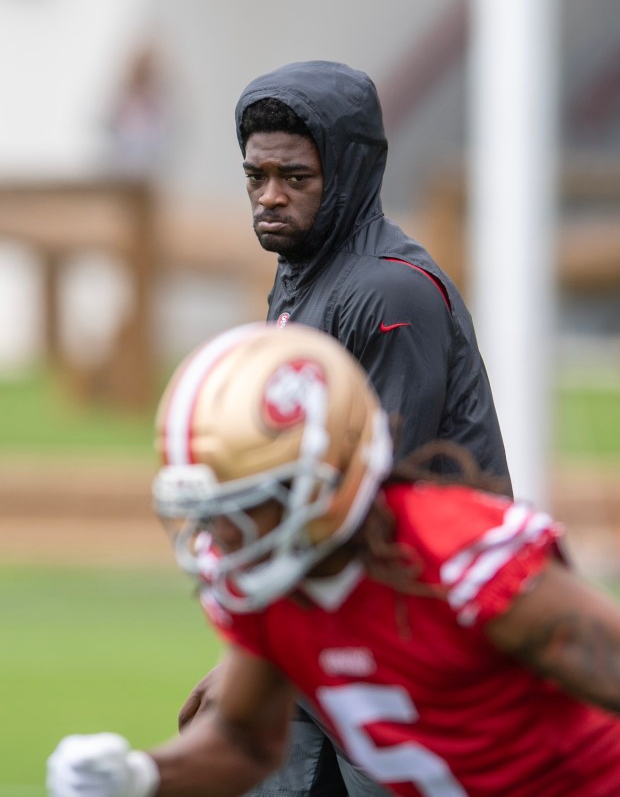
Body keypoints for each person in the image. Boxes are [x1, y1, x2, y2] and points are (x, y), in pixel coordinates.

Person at [47, 322, 620, 797]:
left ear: (330, 478)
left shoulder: (459, 560)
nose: (223, 535)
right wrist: (139, 777)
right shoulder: (275, 591)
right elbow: (245, 740)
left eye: (250, 504)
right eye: (211, 509)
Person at [180, 59, 513, 797]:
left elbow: (373, 500)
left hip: (407, 661)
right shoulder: (306, 274)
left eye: (295, 177)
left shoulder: (389, 290)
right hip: (328, 646)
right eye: (255, 176)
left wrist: (250, 661)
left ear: (350, 171)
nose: (269, 197)